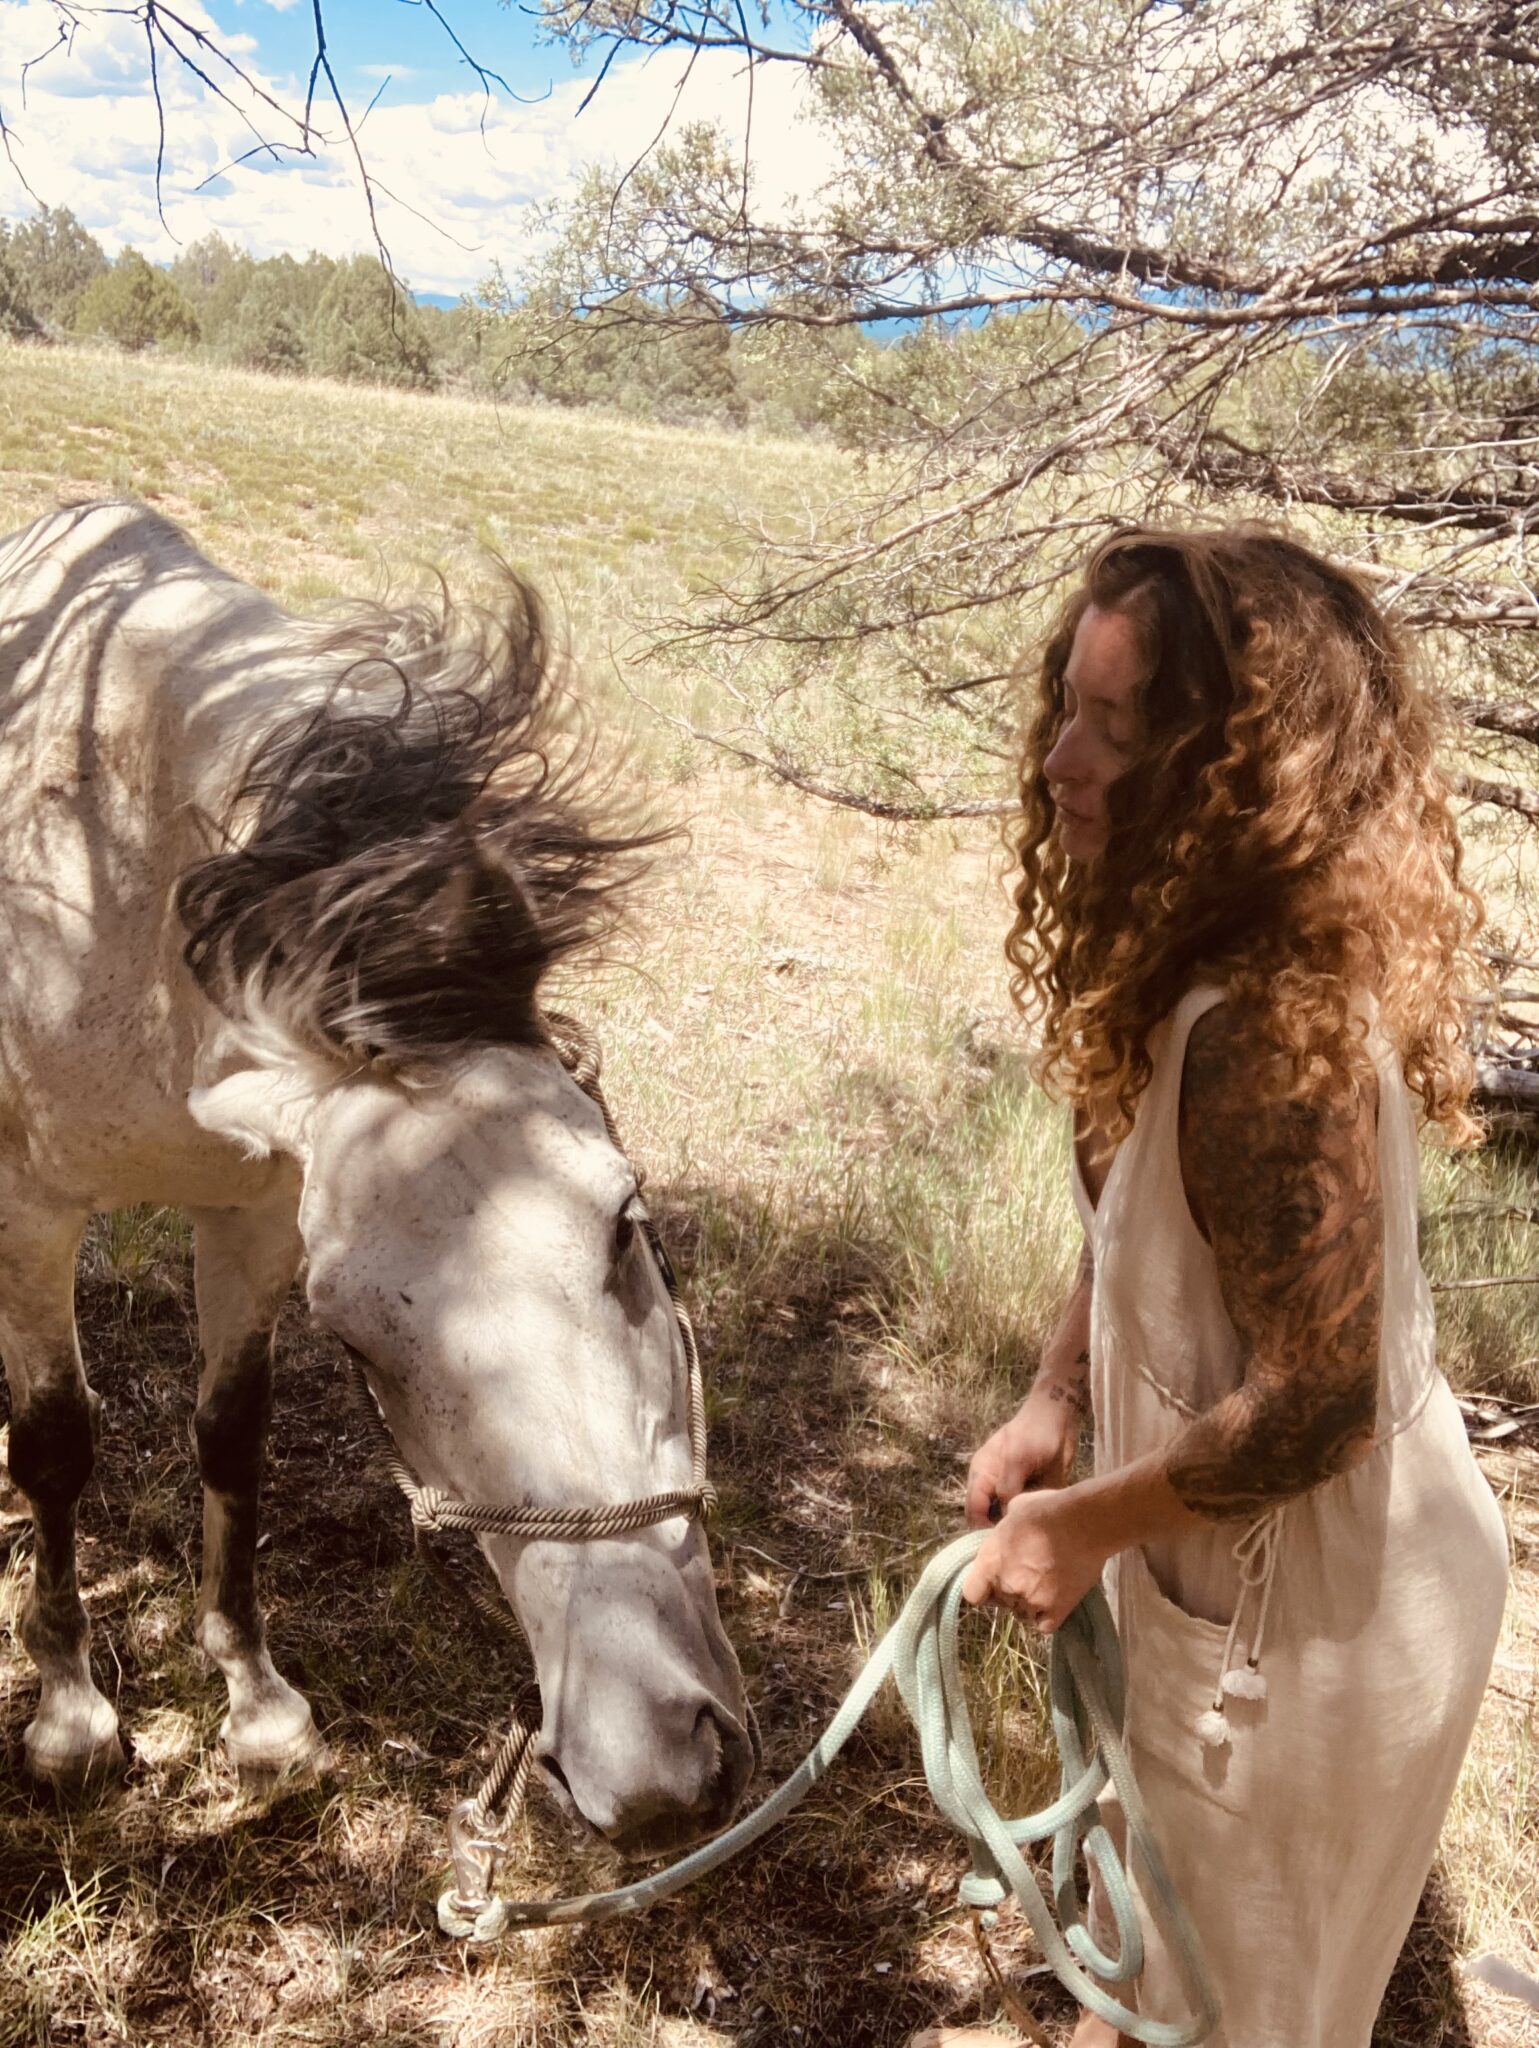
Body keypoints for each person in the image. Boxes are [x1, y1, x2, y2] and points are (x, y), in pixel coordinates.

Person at [917, 527, 1510, 2048]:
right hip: (1230, 1567)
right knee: (1152, 1964)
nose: (1060, 759)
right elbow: (1135, 1217)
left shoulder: (1260, 1031)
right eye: (1071, 703)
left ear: (1232, 772)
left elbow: (1320, 1404)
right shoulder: (1174, 948)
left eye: (1118, 727)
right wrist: (1059, 1396)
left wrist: (1094, 1523)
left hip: (1322, 1609)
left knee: (1237, 2015)